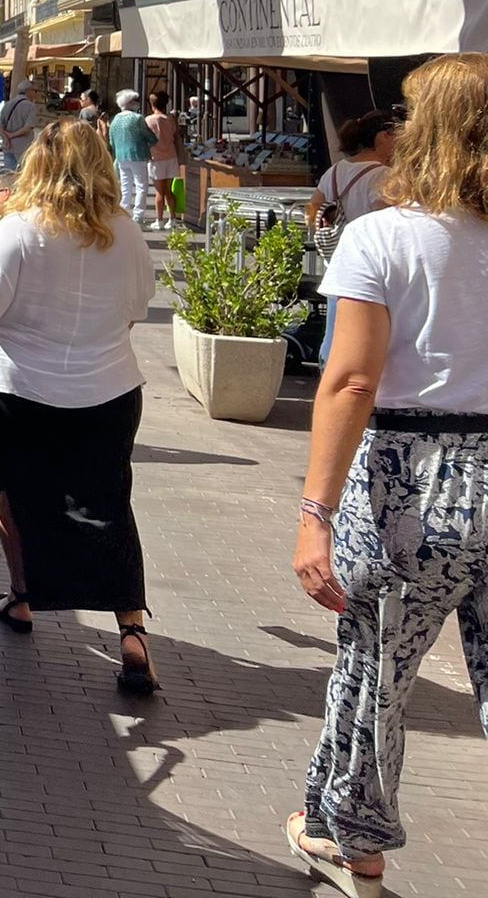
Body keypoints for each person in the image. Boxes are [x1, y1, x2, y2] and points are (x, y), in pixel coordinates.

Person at [287, 57, 488, 896]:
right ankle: (331, 822)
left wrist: (314, 511)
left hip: (412, 472)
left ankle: (355, 843)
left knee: (376, 671)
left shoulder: (383, 235)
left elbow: (351, 380)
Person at [0, 120, 159, 695]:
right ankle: (132, 630)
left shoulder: (19, 229)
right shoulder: (127, 232)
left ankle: (23, 598)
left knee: (19, 495)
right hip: (111, 387)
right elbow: (136, 310)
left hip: (25, 387)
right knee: (110, 502)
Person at [304, 111, 399, 367]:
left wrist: (328, 227)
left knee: (334, 327)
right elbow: (386, 221)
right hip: (370, 263)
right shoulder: (384, 176)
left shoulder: (335, 171)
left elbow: (312, 210)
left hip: (337, 258)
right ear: (382, 137)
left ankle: (328, 367)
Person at [108, 90, 157, 226]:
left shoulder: (115, 120)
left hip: (121, 156)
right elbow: (149, 135)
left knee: (126, 184)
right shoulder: (137, 118)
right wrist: (153, 141)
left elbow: (111, 141)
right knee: (141, 185)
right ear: (129, 103)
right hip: (138, 154)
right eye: (135, 101)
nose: (137, 103)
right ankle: (138, 214)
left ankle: (124, 209)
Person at [145, 90, 184, 229]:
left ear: (152, 104)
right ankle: (172, 218)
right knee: (168, 190)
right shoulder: (170, 120)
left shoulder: (148, 120)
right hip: (171, 156)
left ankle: (159, 220)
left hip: (156, 158)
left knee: (159, 191)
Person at [0, 78, 43, 172]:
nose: (37, 93)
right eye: (35, 91)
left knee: (9, 173)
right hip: (22, 145)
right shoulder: (30, 106)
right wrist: (12, 135)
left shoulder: (8, 104)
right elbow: (28, 127)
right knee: (23, 174)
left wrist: (6, 136)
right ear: (28, 91)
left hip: (7, 145)